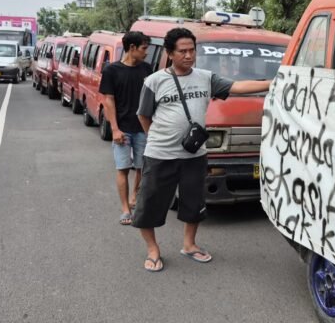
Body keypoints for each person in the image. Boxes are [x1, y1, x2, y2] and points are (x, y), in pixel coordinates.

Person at [133, 27, 270, 272]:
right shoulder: (154, 81)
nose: (188, 55)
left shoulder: (206, 78)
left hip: (194, 155)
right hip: (160, 155)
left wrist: (272, 83)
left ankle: (189, 245)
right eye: (182, 51)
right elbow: (144, 115)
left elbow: (237, 87)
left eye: (192, 50)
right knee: (150, 203)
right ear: (170, 54)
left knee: (194, 202)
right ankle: (153, 250)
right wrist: (156, 138)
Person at [99, 31, 152, 226]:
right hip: (122, 129)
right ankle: (125, 209)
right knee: (122, 168)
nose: (146, 53)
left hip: (142, 128)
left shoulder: (147, 69)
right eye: (144, 48)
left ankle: (134, 196)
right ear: (132, 48)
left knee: (141, 166)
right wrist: (115, 129)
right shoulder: (112, 71)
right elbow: (108, 100)